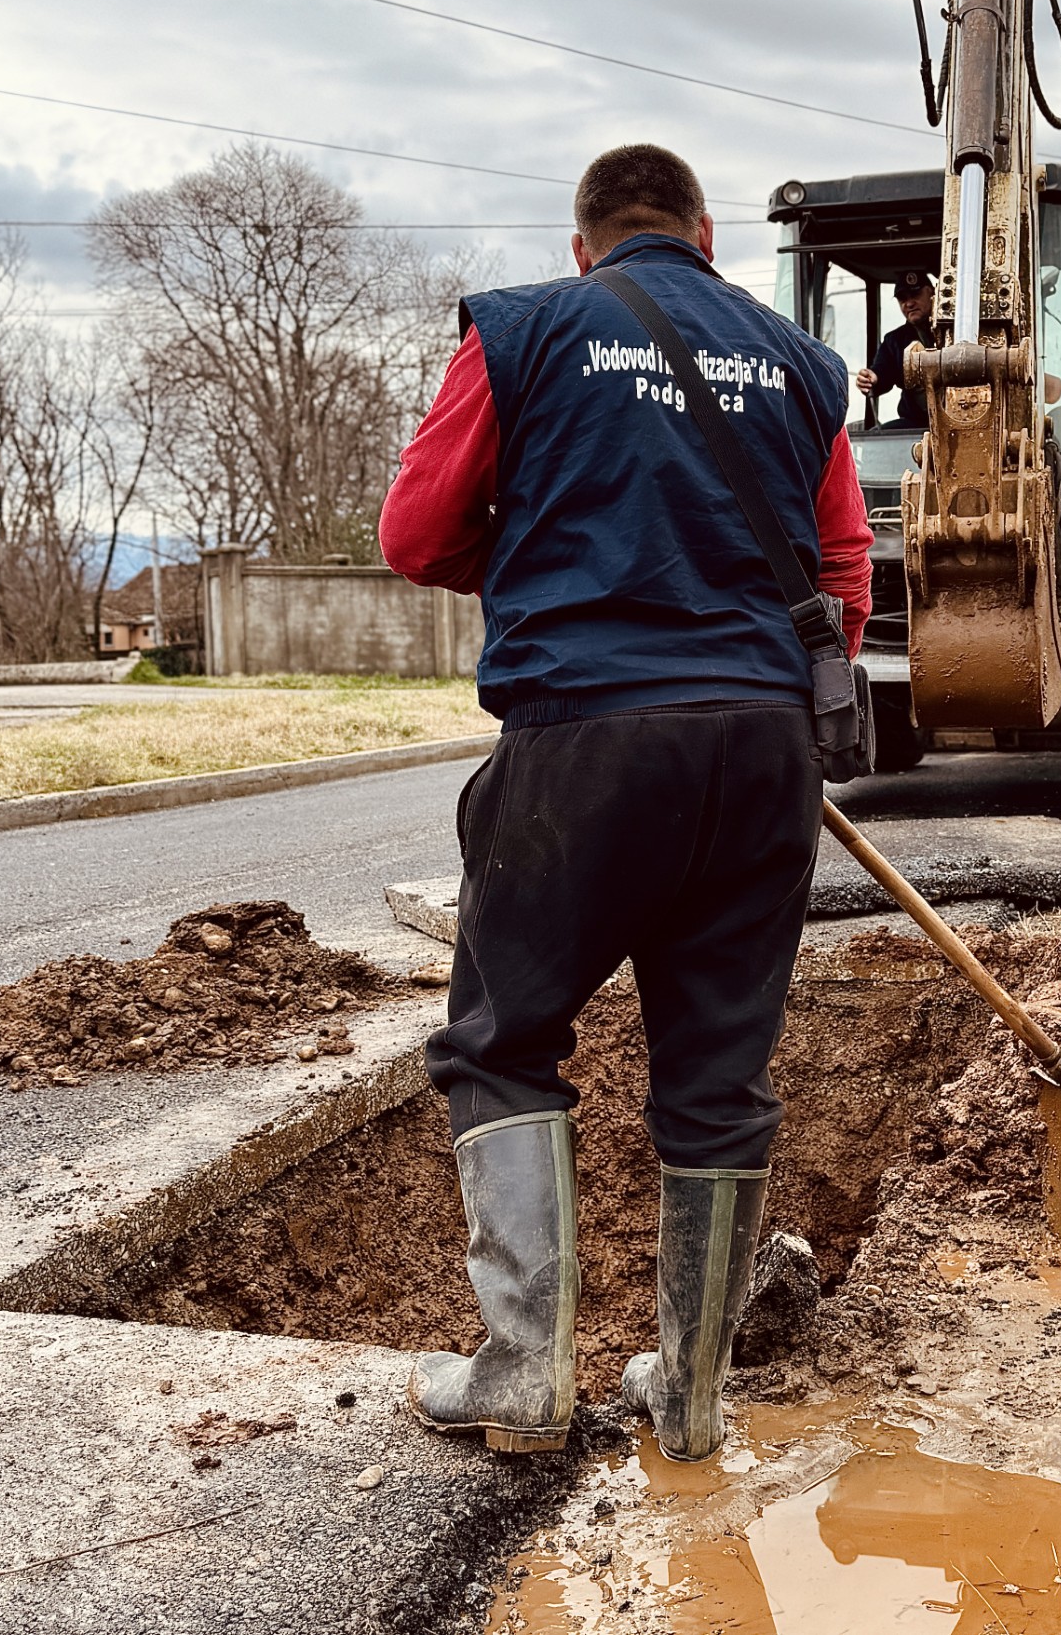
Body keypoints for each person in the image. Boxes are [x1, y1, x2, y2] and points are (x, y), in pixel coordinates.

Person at [378, 143, 871, 1463]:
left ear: (586, 241)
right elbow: (842, 569)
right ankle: (691, 1397)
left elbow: (417, 533)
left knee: (501, 1039)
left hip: (581, 743)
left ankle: (524, 1372)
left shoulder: (532, 325)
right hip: (763, 749)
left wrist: (544, 542)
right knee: (718, 1079)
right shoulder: (802, 362)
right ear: (707, 234)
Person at [853, 269, 936, 425]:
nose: (909, 303)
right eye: (902, 299)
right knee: (880, 439)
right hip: (915, 424)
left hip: (957, 419)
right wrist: (872, 378)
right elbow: (881, 372)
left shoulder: (955, 332)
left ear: (932, 293)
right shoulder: (895, 340)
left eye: (915, 295)